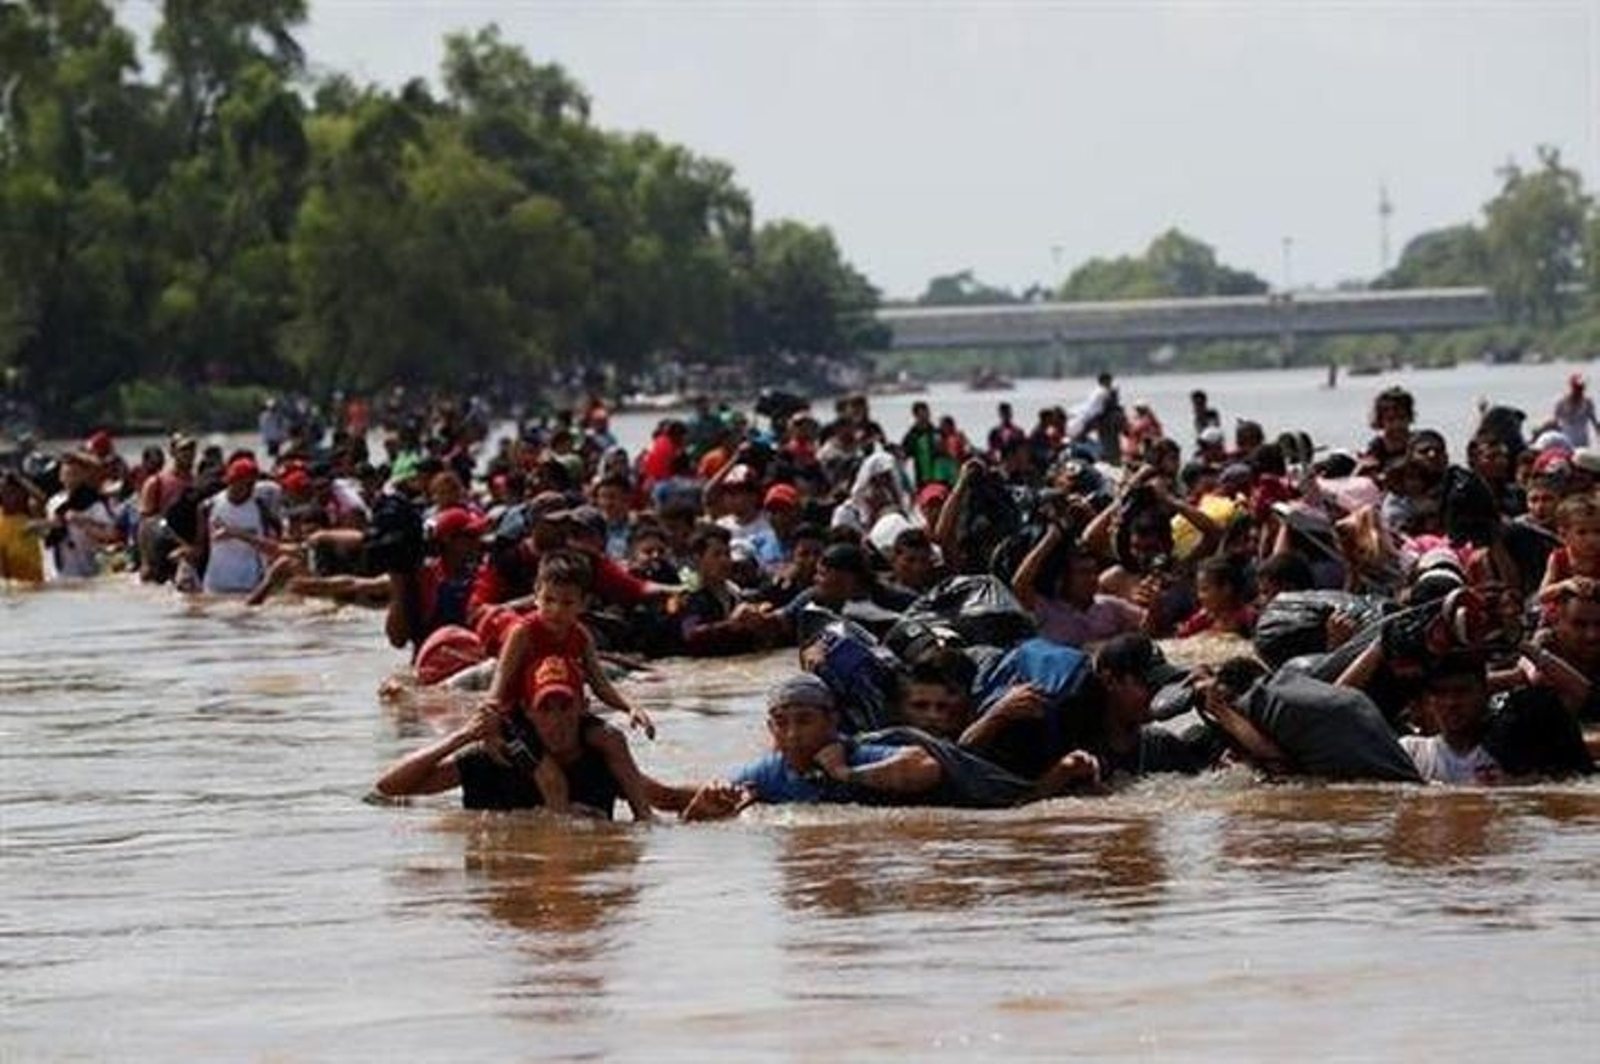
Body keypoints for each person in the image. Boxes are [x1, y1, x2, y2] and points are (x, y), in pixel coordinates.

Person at [647, 674, 949, 820]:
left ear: (833, 722)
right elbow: (670, 798)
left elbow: (926, 768)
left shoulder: (855, 753)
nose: (792, 734)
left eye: (804, 721)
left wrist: (845, 774)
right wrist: (699, 813)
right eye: (781, 723)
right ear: (770, 729)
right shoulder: (770, 771)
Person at [372, 658, 638, 818]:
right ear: (527, 711)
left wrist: (681, 800)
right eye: (545, 708)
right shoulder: (493, 758)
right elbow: (390, 786)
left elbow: (660, 798)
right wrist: (463, 736)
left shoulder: (603, 762)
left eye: (565, 707)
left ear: (584, 707)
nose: (557, 721)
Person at [1400, 655, 1502, 784]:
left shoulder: (1509, 755)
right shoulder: (1410, 752)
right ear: (1428, 700)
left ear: (1484, 694)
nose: (1451, 703)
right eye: (1440, 693)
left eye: (1462, 691)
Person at [198, 457, 278, 594]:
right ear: (232, 481)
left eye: (253, 483)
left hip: (250, 585)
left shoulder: (260, 507)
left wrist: (235, 533)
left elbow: (271, 547)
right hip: (215, 585)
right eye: (247, 483)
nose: (251, 488)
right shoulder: (208, 506)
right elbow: (199, 548)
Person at [1549, 374, 1600, 448]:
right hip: (1565, 442)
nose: (1580, 390)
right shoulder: (1560, 401)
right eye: (1577, 387)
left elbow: (1595, 423)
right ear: (1571, 386)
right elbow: (1554, 422)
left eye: (1582, 387)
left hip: (1583, 443)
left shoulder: (1588, 402)